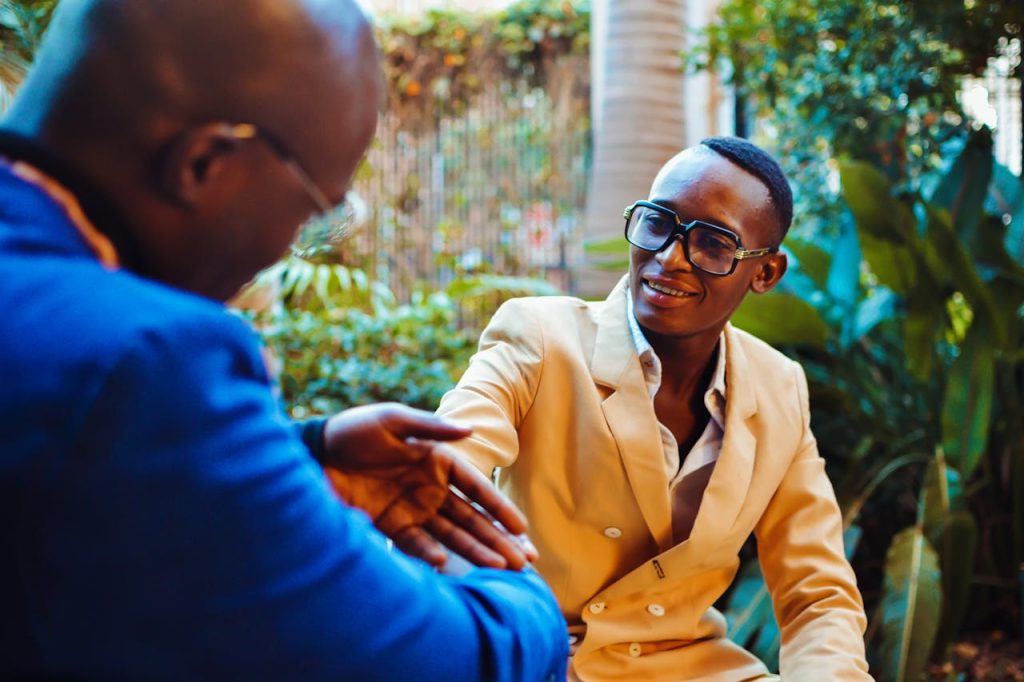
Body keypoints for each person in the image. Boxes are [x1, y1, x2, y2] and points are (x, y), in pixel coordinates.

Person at [0, 0, 568, 679]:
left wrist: (298, 460)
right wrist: (524, 590)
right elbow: (442, 663)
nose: (283, 252)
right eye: (312, 214)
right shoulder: (146, 361)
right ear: (203, 163)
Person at [437, 137, 872, 681]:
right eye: (658, 222)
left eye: (713, 244)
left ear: (765, 273)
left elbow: (818, 593)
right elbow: (449, 462)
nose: (669, 257)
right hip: (540, 656)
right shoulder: (541, 337)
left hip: (693, 667)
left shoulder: (778, 388)